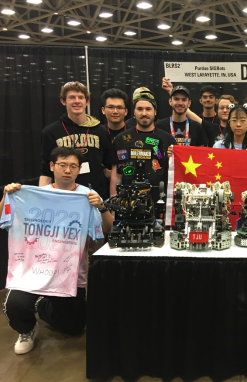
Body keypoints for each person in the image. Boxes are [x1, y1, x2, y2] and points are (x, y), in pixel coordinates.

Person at [1, 146, 113, 355]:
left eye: (73, 166)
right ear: (52, 166)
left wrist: (101, 207)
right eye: (62, 165)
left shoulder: (87, 196)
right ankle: (26, 329)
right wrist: (7, 196)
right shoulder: (32, 194)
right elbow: (4, 218)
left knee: (74, 327)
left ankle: (43, 304)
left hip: (68, 274)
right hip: (31, 270)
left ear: (79, 169)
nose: (67, 170)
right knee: (15, 305)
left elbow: (108, 229)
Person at [40, 81, 111, 199]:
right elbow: (46, 171)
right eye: (72, 97)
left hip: (96, 196)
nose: (77, 101)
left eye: (81, 97)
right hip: (63, 196)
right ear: (63, 101)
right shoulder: (51, 132)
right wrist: (41, 198)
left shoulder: (100, 131)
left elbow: (110, 166)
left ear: (87, 102)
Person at [110, 88, 176, 202]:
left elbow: (174, 174)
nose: (144, 113)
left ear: (155, 112)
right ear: (134, 113)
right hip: (127, 201)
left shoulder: (168, 139)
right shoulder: (121, 139)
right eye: (140, 109)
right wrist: (114, 203)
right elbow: (116, 175)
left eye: (148, 109)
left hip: (159, 200)